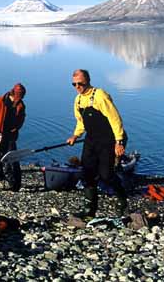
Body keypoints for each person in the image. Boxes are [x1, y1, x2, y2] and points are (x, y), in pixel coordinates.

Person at [66, 69, 128, 218]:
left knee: (106, 175)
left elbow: (115, 119)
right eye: (74, 84)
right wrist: (75, 135)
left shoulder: (100, 96)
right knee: (87, 174)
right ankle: (89, 211)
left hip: (109, 139)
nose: (77, 87)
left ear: (87, 81)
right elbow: (81, 121)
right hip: (91, 140)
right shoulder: (78, 100)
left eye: (80, 83)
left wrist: (119, 142)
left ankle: (122, 200)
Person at [0, 83, 26, 191]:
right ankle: (0, 179)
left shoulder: (21, 105)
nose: (21, 98)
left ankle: (15, 184)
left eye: (22, 96)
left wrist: (17, 128)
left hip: (11, 136)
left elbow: (22, 118)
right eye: (20, 95)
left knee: (13, 158)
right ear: (14, 93)